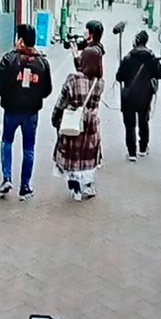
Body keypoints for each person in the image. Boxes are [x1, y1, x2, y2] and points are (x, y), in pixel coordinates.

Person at [0, 24, 53, 200]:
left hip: (11, 110)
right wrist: (34, 94)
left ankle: (7, 178)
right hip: (31, 113)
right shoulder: (42, 63)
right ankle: (25, 187)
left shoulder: (9, 59)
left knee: (7, 141)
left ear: (20, 40)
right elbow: (47, 90)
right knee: (29, 148)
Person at [51, 46, 105, 202]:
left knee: (72, 156)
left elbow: (61, 101)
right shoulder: (99, 82)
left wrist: (55, 118)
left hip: (74, 122)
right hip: (91, 124)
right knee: (88, 155)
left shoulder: (73, 80)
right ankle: (88, 186)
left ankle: (75, 190)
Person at [115, 30, 161, 161]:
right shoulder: (151, 58)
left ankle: (132, 152)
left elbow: (119, 76)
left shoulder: (128, 58)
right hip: (145, 95)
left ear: (136, 41)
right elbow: (159, 74)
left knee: (129, 124)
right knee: (144, 121)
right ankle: (143, 148)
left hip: (129, 96)